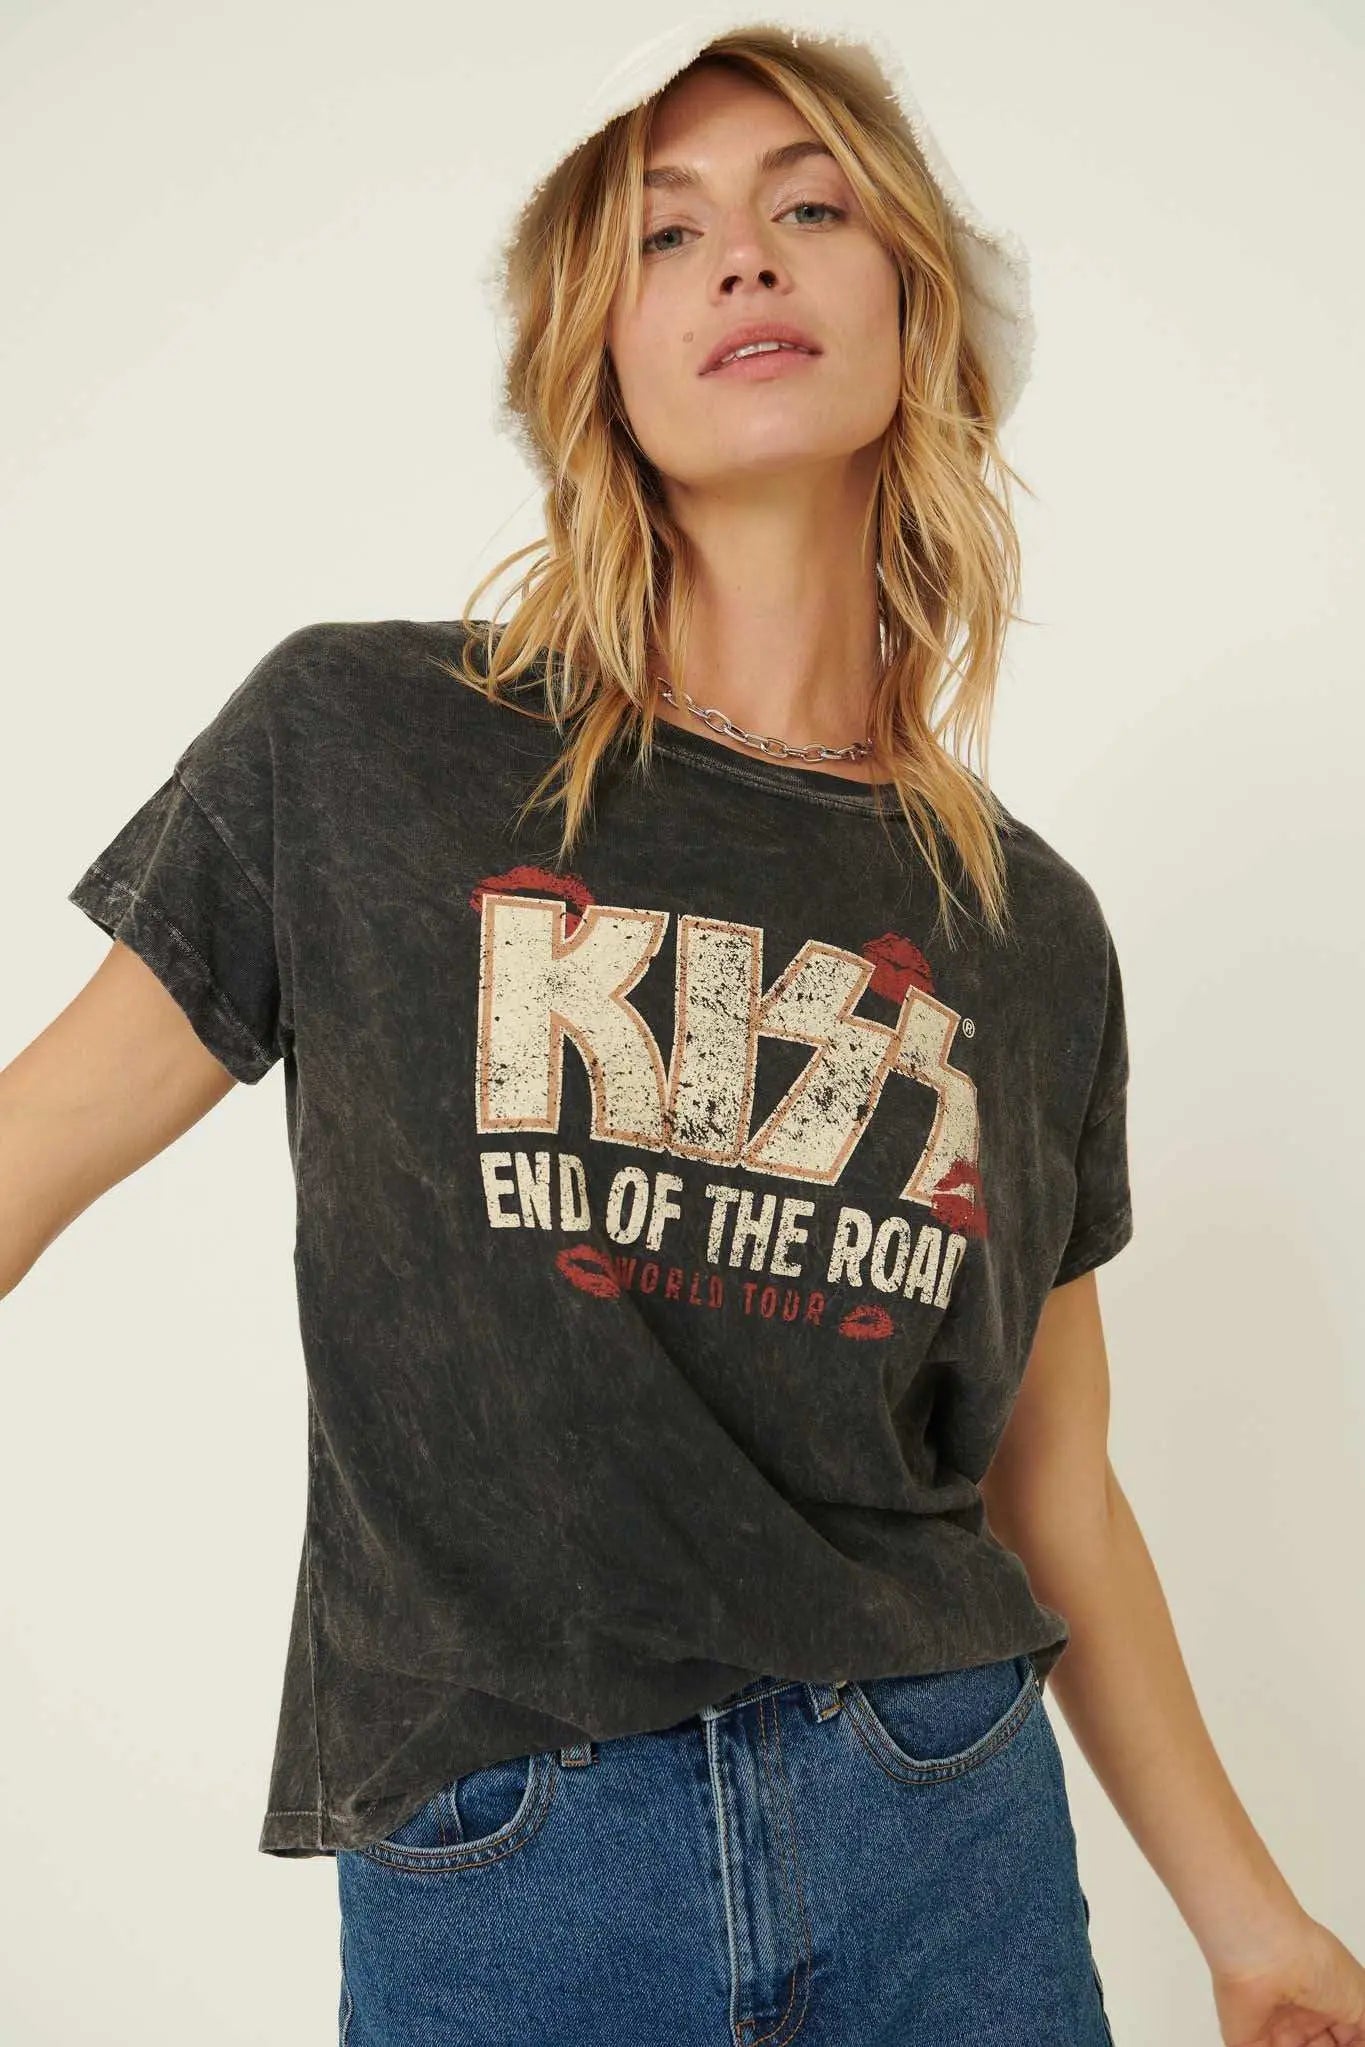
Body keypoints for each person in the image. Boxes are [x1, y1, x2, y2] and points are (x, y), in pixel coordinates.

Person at [5, 14, 1362, 2046]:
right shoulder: (364, 746)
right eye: (664, 232)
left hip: (941, 1829)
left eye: (808, 209)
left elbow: (1052, 1484)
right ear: (596, 358)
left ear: (910, 309)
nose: (741, 257)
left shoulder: (1027, 931)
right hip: (514, 1869)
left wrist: (1251, 1929)